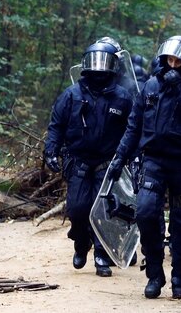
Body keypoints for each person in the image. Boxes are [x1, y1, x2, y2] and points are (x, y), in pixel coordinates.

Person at [106, 35, 181, 299]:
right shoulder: (150, 86)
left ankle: (180, 278)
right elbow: (133, 127)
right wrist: (118, 159)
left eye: (178, 60)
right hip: (154, 161)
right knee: (145, 213)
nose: (173, 64)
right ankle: (155, 274)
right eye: (169, 59)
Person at [43, 42, 133, 277]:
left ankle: (102, 255)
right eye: (95, 62)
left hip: (107, 163)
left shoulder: (122, 98)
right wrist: (50, 151)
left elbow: (132, 130)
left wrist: (131, 158)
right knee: (77, 209)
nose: (99, 68)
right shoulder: (71, 95)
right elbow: (56, 126)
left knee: (103, 210)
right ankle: (81, 242)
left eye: (104, 62)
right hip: (78, 161)